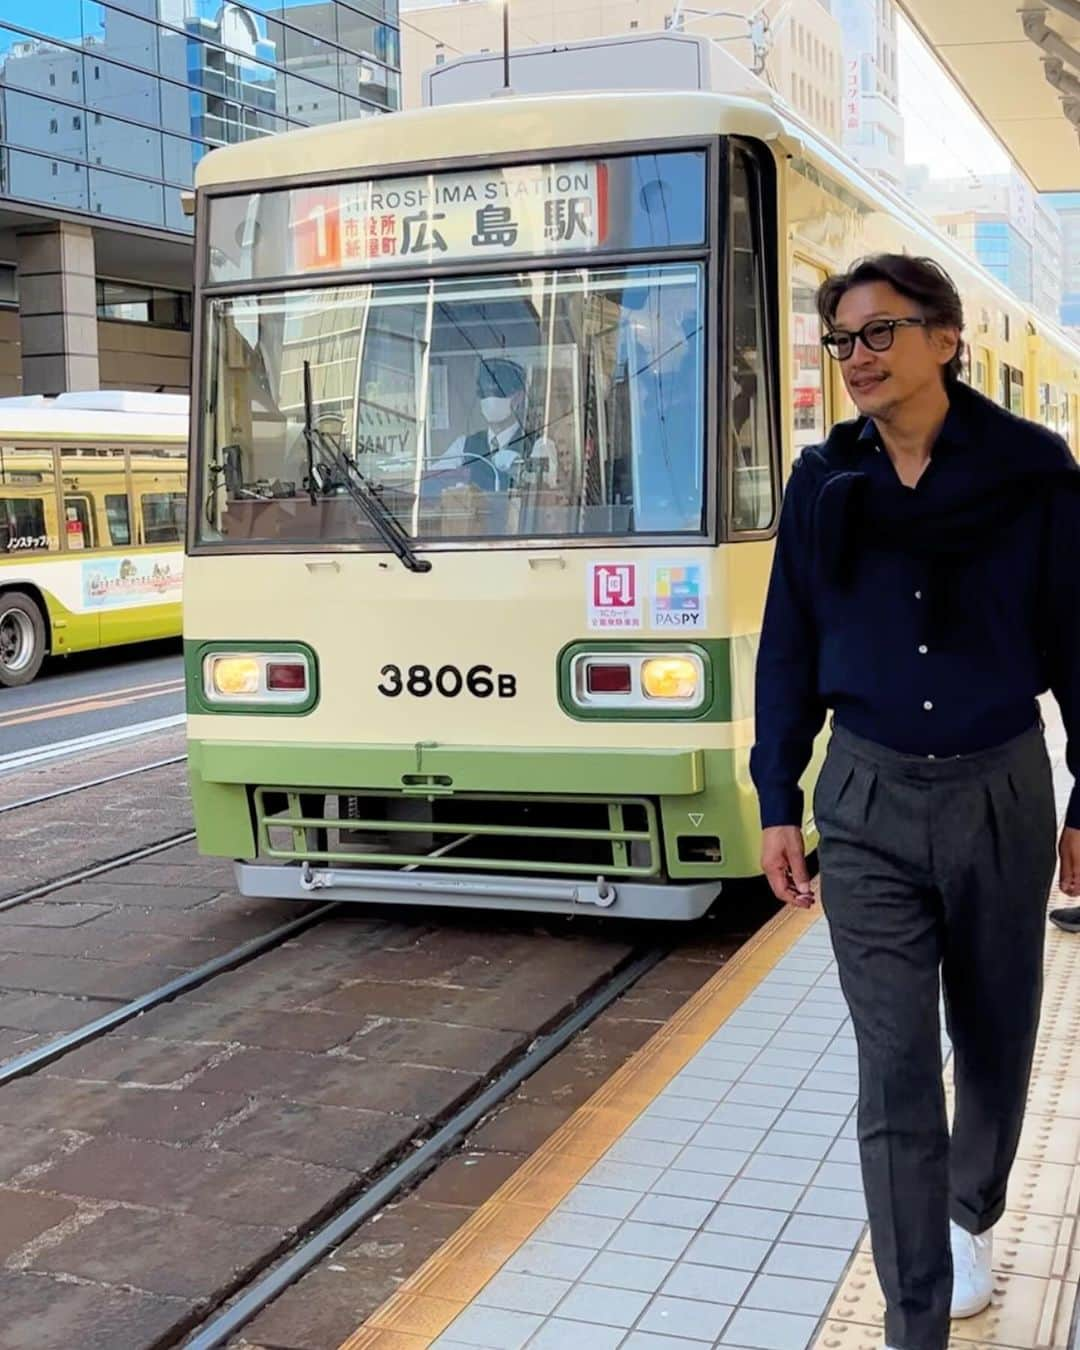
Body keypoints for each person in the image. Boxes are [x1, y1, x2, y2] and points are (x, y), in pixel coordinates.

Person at [750, 253, 1080, 1350]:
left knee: (994, 1034)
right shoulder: (823, 481)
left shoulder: (1035, 470)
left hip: (1001, 786)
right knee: (892, 1066)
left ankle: (970, 1209)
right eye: (842, 340)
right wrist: (776, 797)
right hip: (867, 793)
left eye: (880, 332)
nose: (858, 358)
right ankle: (915, 1322)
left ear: (946, 339)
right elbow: (788, 647)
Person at [428, 357, 556, 492]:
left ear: (519, 397)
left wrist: (522, 471)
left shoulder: (539, 445)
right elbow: (431, 479)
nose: (490, 399)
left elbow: (546, 492)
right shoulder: (463, 446)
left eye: (498, 393)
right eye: (484, 393)